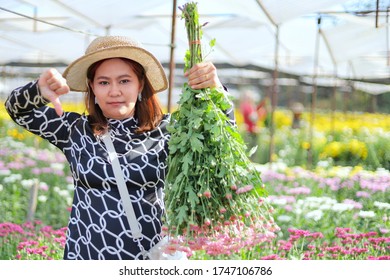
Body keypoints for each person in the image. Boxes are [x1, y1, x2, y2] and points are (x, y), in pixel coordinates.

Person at [5, 35, 233, 260]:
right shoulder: (74, 130)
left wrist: (215, 88)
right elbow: (18, 111)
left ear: (140, 84)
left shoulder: (168, 130)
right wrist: (37, 90)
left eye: (124, 81)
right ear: (92, 87)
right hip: (85, 256)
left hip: (147, 256)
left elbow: (222, 132)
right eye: (103, 82)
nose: (114, 91)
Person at [239, 90, 266, 160]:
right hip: (250, 132)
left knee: (252, 152)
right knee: (251, 152)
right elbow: (253, 118)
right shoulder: (246, 106)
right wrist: (260, 113)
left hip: (253, 131)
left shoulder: (250, 106)